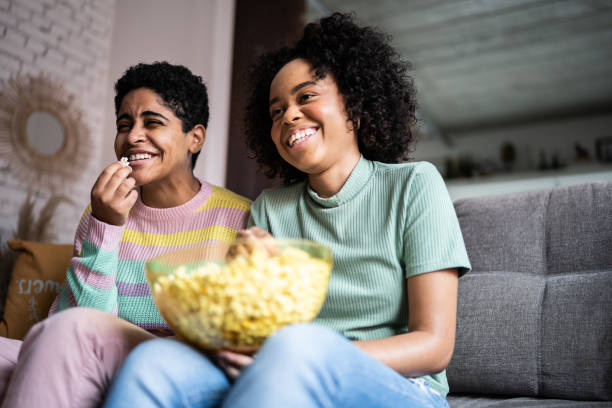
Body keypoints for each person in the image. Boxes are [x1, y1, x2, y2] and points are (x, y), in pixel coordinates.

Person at [103, 13, 470, 408]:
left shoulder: (414, 186)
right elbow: (258, 334)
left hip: (402, 388)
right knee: (152, 360)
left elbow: (434, 347)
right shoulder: (270, 210)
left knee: (295, 347)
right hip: (287, 371)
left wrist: (309, 355)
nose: (289, 115)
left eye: (306, 97)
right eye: (276, 111)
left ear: (355, 106)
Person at [0, 61, 250, 408]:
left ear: (195, 137)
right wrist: (106, 226)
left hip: (180, 364)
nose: (132, 136)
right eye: (124, 124)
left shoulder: (240, 216)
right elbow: (72, 324)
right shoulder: (103, 211)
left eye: (153, 123)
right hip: (98, 355)